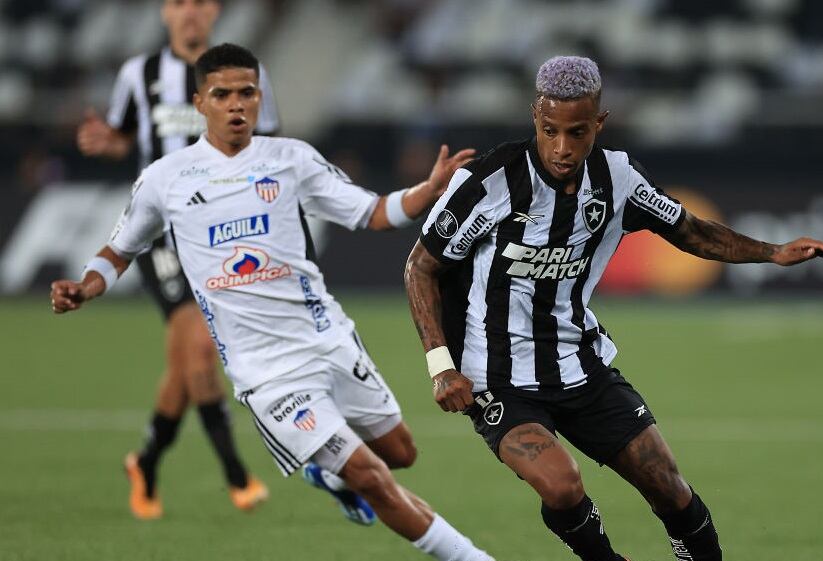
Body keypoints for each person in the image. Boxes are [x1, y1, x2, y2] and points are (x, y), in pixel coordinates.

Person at [52, 43, 494, 561]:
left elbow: (373, 212)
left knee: (400, 453)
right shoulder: (165, 179)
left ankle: (323, 473)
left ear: (260, 97)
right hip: (267, 375)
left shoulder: (292, 159)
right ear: (200, 103)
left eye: (247, 92)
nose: (237, 104)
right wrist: (85, 284)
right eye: (223, 95)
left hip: (328, 339)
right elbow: (119, 249)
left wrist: (430, 188)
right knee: (369, 477)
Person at [404, 55, 823, 561]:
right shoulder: (488, 182)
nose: (562, 148)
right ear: (534, 117)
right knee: (562, 485)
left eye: (577, 132)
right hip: (495, 374)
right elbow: (420, 268)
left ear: (599, 122)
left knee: (669, 487)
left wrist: (773, 252)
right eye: (550, 130)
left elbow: (691, 232)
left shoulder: (619, 179)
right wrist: (441, 366)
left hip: (580, 363)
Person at [75, 0, 279, 519]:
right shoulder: (138, 73)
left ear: (215, 13)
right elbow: (127, 135)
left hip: (224, 235)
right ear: (166, 13)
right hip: (162, 231)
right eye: (180, 4)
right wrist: (109, 142)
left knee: (185, 365)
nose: (190, 13)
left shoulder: (245, 73)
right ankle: (236, 475)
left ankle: (144, 461)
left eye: (201, 4)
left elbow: (269, 141)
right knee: (201, 351)